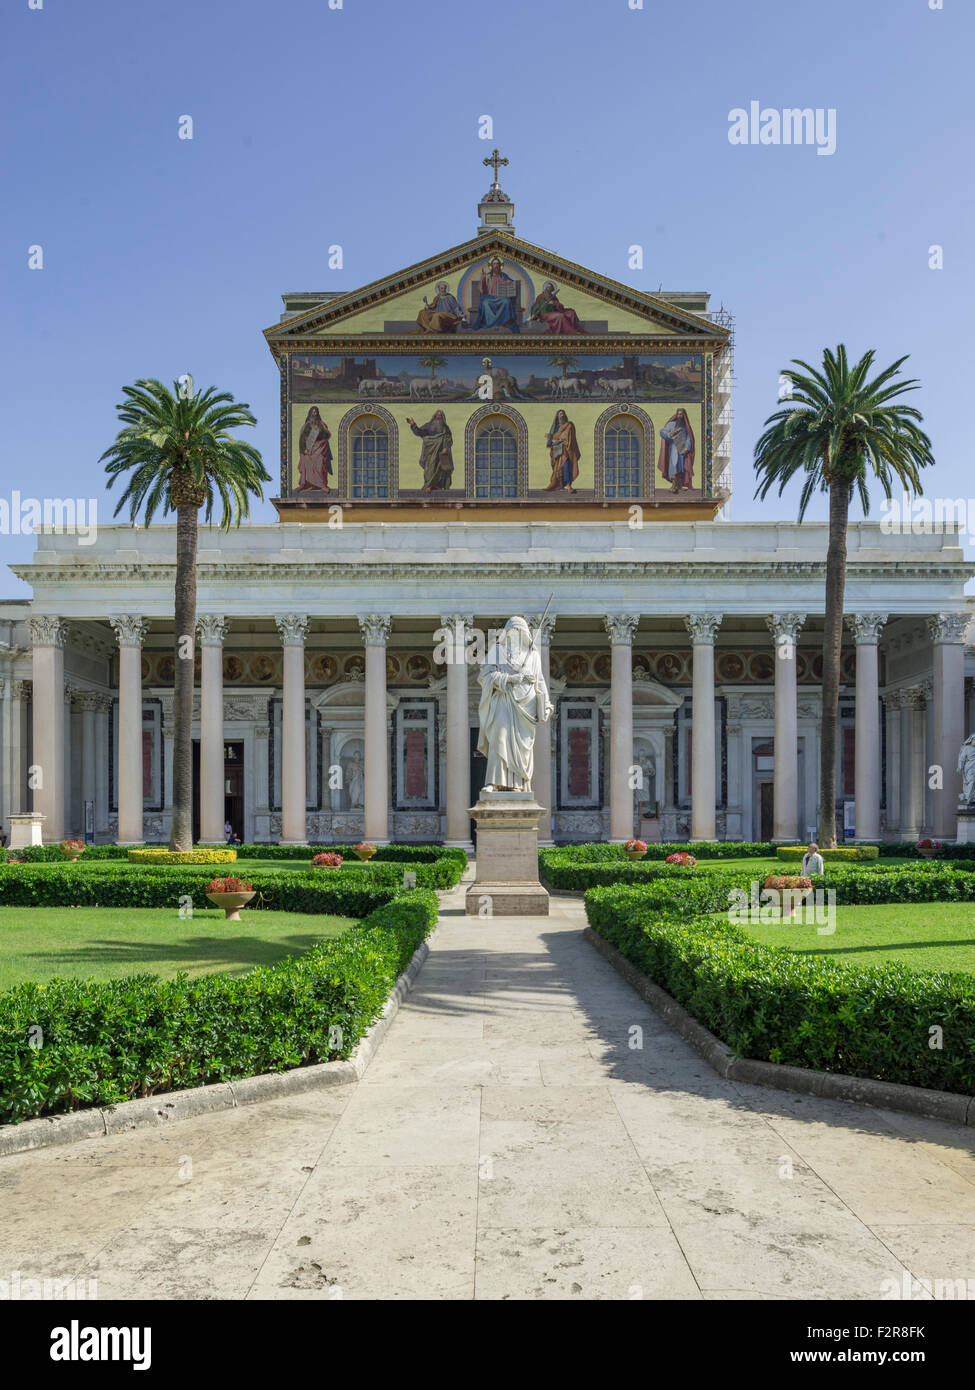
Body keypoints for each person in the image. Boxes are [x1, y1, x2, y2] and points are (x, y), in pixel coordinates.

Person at [476, 616, 553, 792]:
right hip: (503, 702)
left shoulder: (533, 655)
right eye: (512, 632)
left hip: (525, 706)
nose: (515, 636)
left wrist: (546, 703)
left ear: (524, 634)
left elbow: (539, 681)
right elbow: (485, 677)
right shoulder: (497, 652)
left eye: (519, 632)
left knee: (522, 747)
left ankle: (517, 785)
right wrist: (511, 678)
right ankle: (493, 783)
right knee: (499, 738)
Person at [407, 410, 454, 491]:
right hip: (430, 452)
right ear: (434, 416)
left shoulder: (445, 428)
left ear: (443, 418)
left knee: (442, 469)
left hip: (442, 452)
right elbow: (420, 432)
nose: (438, 417)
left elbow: (449, 439)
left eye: (440, 416)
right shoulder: (428, 426)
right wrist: (413, 424)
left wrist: (446, 447)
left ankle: (438, 486)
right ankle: (429, 485)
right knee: (430, 469)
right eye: (437, 415)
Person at [658, 408, 695, 492]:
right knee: (674, 465)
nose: (679, 416)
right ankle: (674, 486)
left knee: (681, 467)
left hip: (682, 450)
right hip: (674, 449)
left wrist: (687, 447)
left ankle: (679, 485)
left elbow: (689, 438)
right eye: (678, 414)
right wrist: (669, 434)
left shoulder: (686, 427)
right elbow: (662, 432)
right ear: (676, 415)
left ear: (684, 415)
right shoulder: (671, 424)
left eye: (681, 414)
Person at [543, 410, 581, 492]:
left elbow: (570, 437)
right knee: (558, 469)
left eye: (563, 414)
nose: (562, 415)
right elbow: (551, 439)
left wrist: (560, 440)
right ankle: (560, 484)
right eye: (560, 414)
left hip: (567, 450)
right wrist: (553, 440)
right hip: (557, 451)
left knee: (567, 466)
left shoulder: (569, 425)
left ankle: (569, 485)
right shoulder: (556, 427)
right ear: (557, 416)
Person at [297, 407, 332, 492]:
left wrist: (319, 431)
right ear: (310, 414)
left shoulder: (322, 424)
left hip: (320, 449)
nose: (314, 414)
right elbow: (302, 438)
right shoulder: (307, 425)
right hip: (309, 450)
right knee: (307, 462)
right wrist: (304, 449)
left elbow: (327, 435)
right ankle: (309, 484)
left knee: (319, 463)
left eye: (316, 412)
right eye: (313, 412)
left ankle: (322, 485)